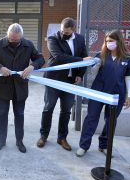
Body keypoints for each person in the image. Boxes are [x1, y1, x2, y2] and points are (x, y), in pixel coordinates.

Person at [0, 23, 45, 153]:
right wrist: (0, 67)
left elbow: (40, 58)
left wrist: (32, 66)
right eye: (11, 39)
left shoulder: (28, 44)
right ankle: (2, 140)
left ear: (21, 37)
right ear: (8, 35)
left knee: (19, 114)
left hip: (20, 86)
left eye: (16, 40)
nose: (13, 41)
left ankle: (19, 141)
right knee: (3, 114)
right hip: (3, 86)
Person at [76, 30, 130, 157]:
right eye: (107, 41)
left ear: (119, 41)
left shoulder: (128, 58)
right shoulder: (101, 55)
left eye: (111, 41)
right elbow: (93, 74)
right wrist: (96, 65)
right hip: (98, 92)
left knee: (111, 121)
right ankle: (83, 145)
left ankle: (104, 145)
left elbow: (129, 78)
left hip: (116, 95)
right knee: (91, 118)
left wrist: (129, 96)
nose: (109, 43)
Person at [37, 17, 91, 151]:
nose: (63, 34)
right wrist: (81, 59)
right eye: (62, 31)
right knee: (48, 108)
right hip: (53, 80)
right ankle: (43, 136)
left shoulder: (79, 39)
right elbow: (59, 57)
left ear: (73, 30)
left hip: (70, 81)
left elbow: (85, 57)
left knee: (66, 110)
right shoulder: (52, 38)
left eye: (66, 32)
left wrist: (79, 74)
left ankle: (62, 138)